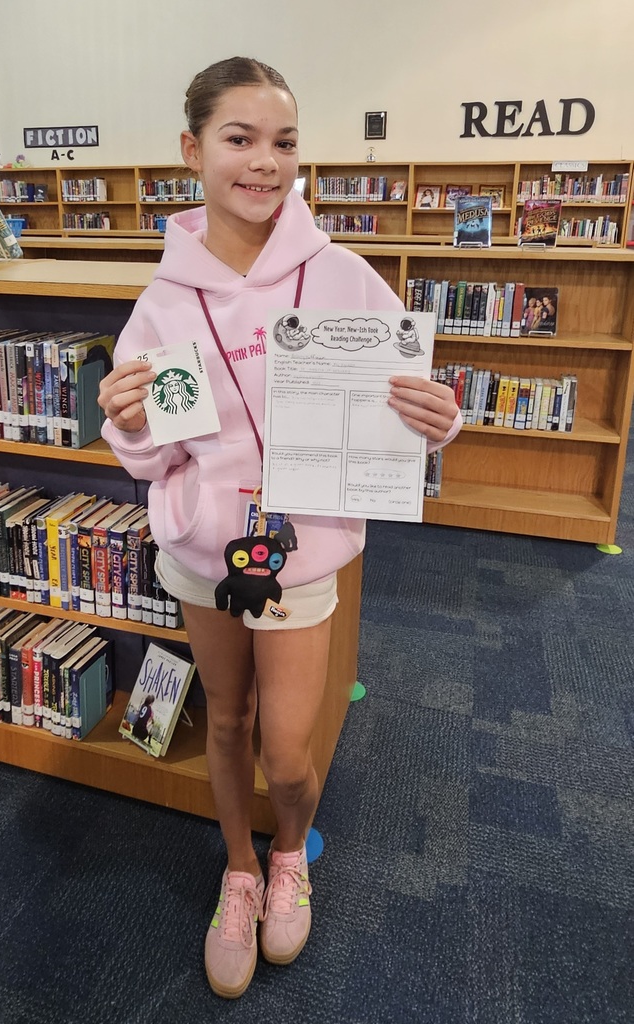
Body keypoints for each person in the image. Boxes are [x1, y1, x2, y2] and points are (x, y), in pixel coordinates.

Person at [98, 56, 462, 999]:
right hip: (200, 552)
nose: (264, 163)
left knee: (289, 752)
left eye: (285, 143)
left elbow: (411, 398)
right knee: (225, 719)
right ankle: (240, 871)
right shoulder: (163, 303)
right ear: (193, 150)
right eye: (240, 139)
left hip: (300, 553)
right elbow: (152, 457)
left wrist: (438, 417)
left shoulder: (340, 276)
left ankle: (291, 848)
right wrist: (130, 427)